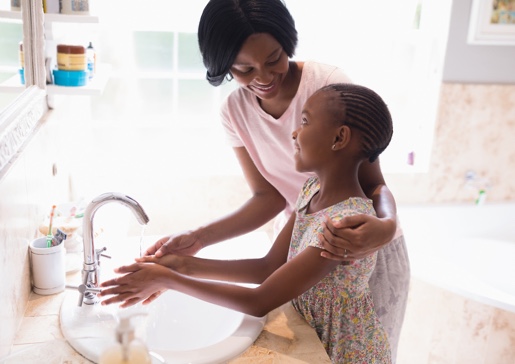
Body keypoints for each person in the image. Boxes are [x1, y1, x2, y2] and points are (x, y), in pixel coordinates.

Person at [145, 0, 410, 361]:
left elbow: (374, 183)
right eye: (244, 68)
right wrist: (196, 242)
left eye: (274, 59)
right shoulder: (236, 113)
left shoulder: (326, 90)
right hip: (305, 240)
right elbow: (267, 198)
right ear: (223, 65)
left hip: (360, 246)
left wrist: (385, 225)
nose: (264, 77)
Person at [100, 83, 395, 363]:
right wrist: (182, 265)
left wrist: (168, 279)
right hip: (315, 339)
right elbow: (269, 268)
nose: (294, 133)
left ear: (339, 138)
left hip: (346, 354)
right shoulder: (311, 191)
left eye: (305, 122)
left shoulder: (344, 224)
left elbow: (260, 300)